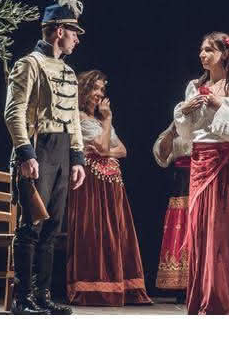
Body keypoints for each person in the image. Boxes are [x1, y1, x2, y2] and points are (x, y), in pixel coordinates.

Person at [4, 0, 86, 315]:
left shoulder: (67, 72)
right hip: (38, 150)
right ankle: (23, 298)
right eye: (74, 33)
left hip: (62, 152)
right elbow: (14, 112)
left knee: (51, 229)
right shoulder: (29, 65)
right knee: (31, 226)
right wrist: (25, 153)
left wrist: (77, 158)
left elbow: (73, 119)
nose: (77, 40)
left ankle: (42, 297)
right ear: (59, 30)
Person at [173, 32, 229, 314]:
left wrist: (218, 105)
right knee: (201, 227)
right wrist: (184, 110)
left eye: (209, 50)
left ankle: (228, 294)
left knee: (222, 228)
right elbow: (187, 131)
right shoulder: (194, 86)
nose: (202, 55)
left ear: (224, 54)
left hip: (225, 160)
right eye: (201, 50)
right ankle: (205, 291)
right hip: (200, 159)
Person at [65, 70, 152, 306]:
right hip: (92, 183)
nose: (100, 95)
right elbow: (103, 147)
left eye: (103, 90)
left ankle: (121, 284)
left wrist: (105, 148)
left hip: (112, 183)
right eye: (96, 89)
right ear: (84, 90)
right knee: (95, 231)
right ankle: (94, 287)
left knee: (116, 232)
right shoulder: (80, 119)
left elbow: (122, 150)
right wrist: (108, 119)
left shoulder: (99, 122)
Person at [153, 121, 192, 302]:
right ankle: (181, 284)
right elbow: (162, 156)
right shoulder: (179, 120)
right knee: (181, 226)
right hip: (183, 179)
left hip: (206, 174)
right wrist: (172, 131)